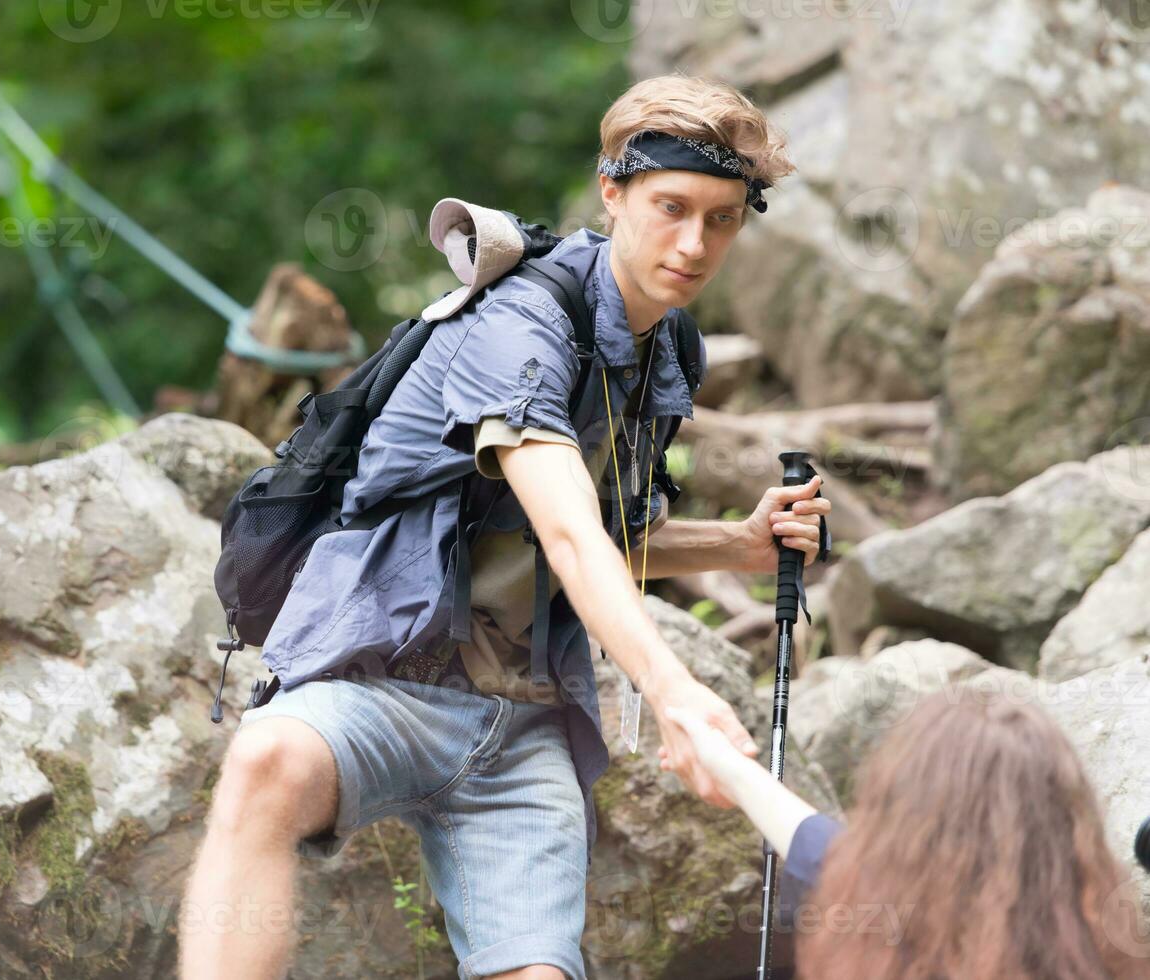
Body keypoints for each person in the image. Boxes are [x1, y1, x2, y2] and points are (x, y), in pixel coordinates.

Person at [179, 73, 832, 980]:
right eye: (672, 207)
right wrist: (674, 693)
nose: (694, 244)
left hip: (524, 722)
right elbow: (565, 530)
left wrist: (737, 546)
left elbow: (587, 539)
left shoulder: (666, 346)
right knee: (267, 760)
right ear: (613, 192)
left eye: (722, 218)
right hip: (385, 683)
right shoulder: (521, 321)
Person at [664, 688, 1150, 980]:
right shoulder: (1105, 950)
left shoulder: (880, 926)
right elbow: (817, 843)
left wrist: (719, 758)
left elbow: (822, 851)